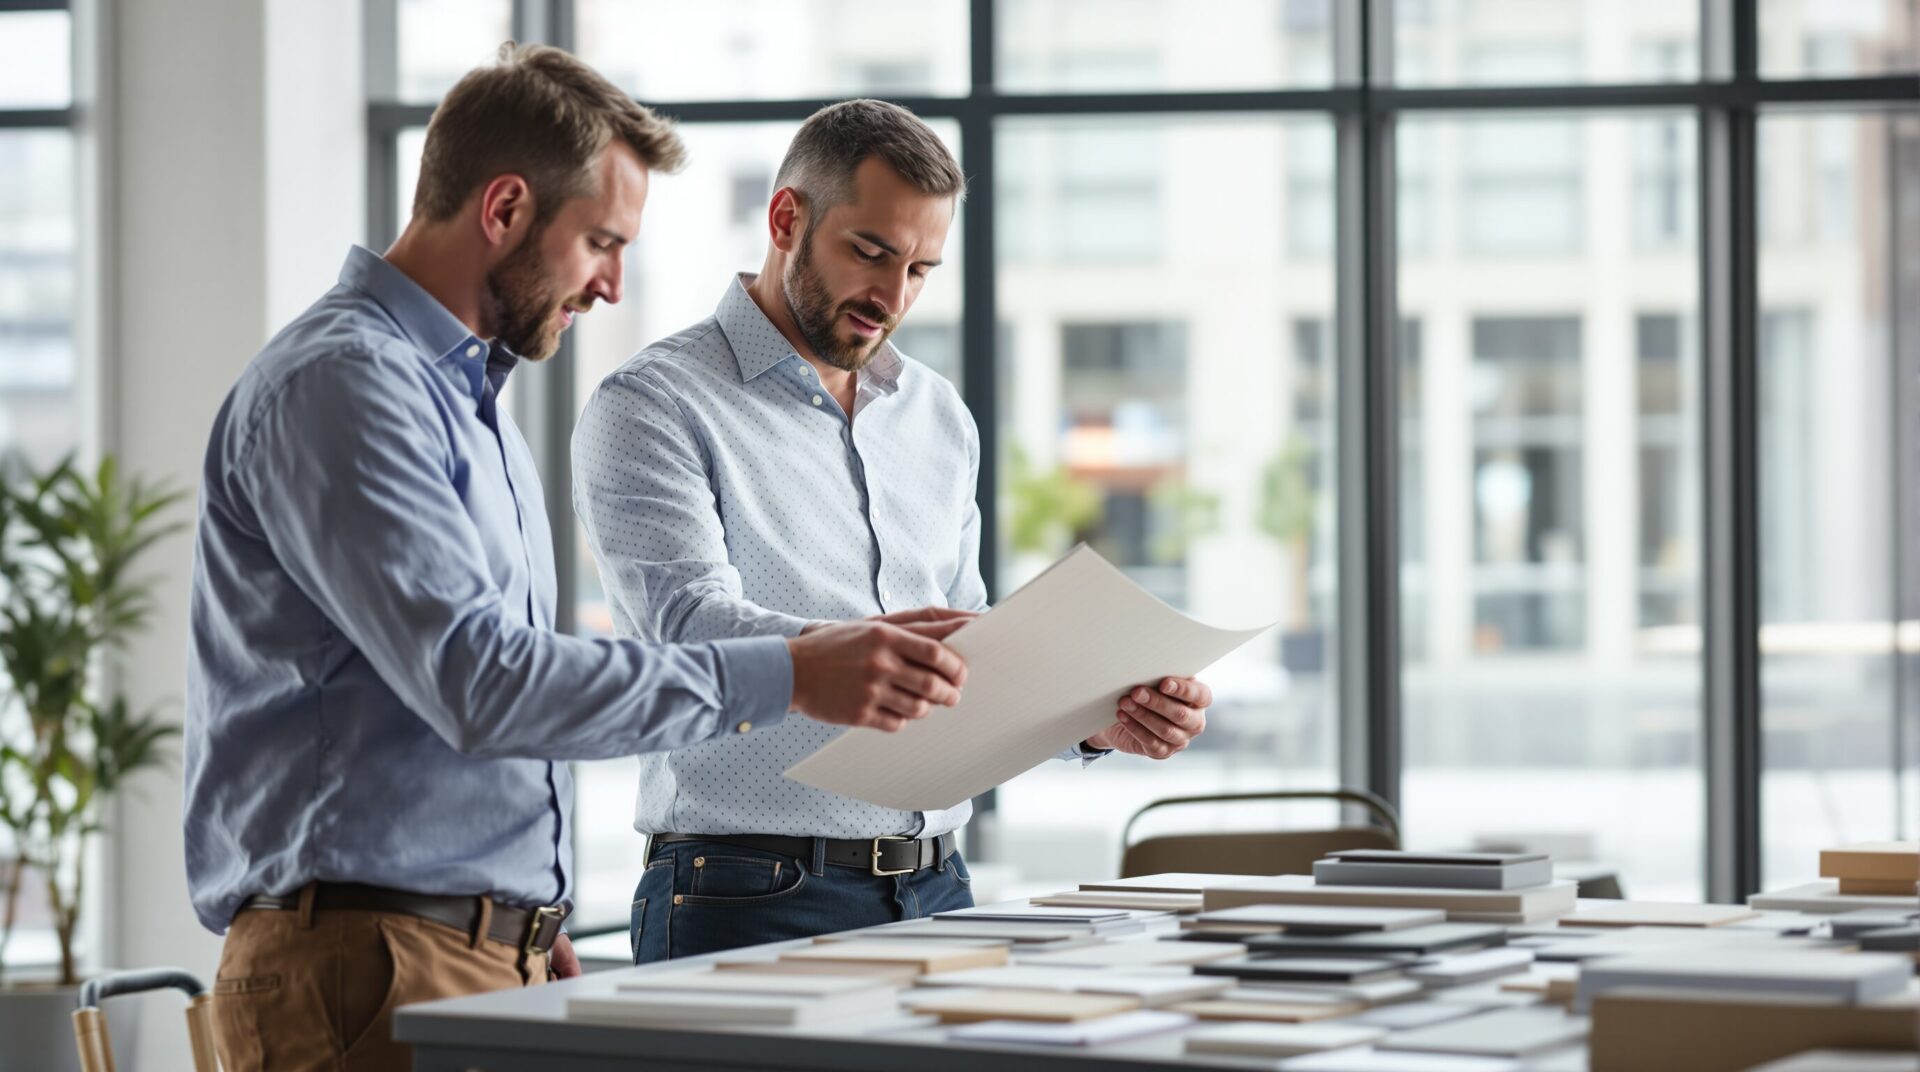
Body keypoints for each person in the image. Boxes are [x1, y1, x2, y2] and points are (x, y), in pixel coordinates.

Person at [185, 50, 968, 1071]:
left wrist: (512, 906)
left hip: (462, 945)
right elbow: (480, 678)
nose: (611, 284)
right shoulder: (346, 385)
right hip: (363, 957)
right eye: (601, 241)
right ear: (505, 208)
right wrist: (799, 668)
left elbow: (473, 694)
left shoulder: (467, 404)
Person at [572, 99, 1213, 965]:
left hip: (940, 891)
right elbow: (686, 631)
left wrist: (1095, 721)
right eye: (871, 253)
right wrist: (859, 649)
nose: (892, 295)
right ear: (786, 218)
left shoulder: (938, 418)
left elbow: (969, 653)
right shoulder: (653, 404)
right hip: (746, 893)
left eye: (920, 268)